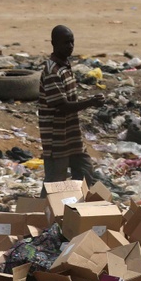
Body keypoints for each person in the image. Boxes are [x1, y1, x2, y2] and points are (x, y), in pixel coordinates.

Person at [39, 25, 104, 184]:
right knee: (55, 183)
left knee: (85, 174)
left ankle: (80, 208)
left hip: (71, 135)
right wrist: (91, 102)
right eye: (66, 43)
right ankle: (42, 209)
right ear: (54, 43)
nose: (70, 46)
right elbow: (62, 106)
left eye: (72, 42)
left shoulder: (65, 66)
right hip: (56, 137)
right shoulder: (52, 71)